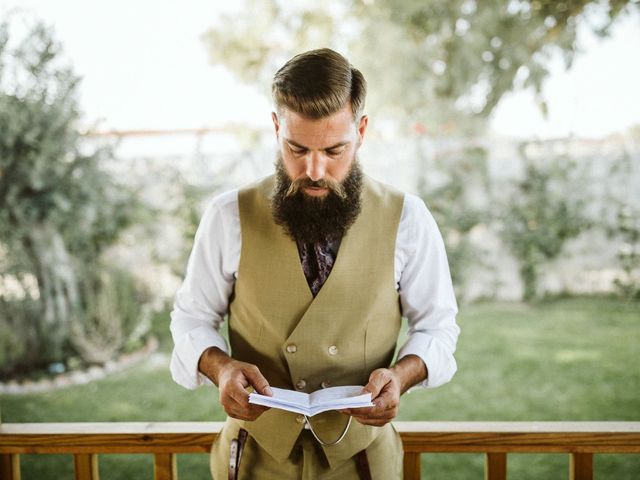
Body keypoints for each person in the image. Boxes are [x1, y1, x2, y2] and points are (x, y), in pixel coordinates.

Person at [170, 48, 460, 479]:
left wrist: (401, 376)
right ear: (276, 128)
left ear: (361, 131)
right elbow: (191, 318)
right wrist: (221, 368)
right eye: (296, 148)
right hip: (252, 459)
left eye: (334, 150)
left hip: (363, 460)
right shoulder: (226, 215)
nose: (314, 170)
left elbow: (438, 327)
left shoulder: (410, 219)